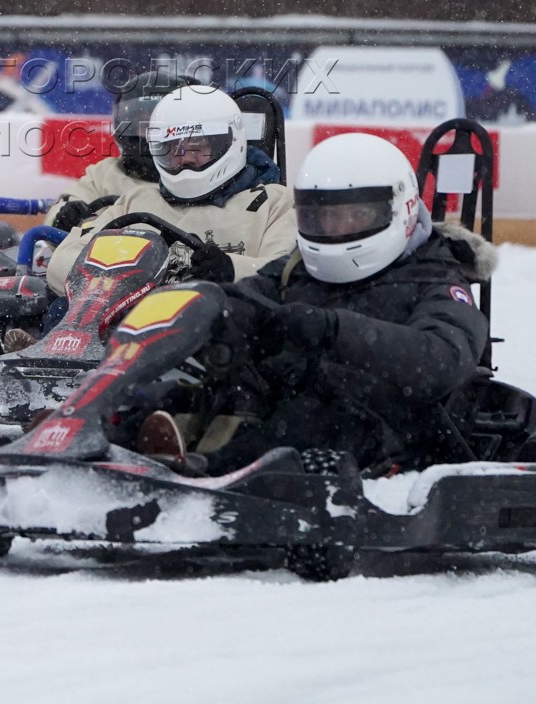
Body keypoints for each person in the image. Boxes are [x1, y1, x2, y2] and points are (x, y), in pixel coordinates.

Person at [129, 132, 493, 473]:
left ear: (402, 208)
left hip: (385, 429)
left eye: (355, 215)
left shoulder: (437, 280)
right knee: (172, 393)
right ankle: (119, 441)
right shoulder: (296, 270)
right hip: (283, 403)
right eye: (323, 216)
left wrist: (331, 330)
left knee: (308, 418)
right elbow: (246, 299)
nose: (336, 227)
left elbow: (442, 359)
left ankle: (205, 470)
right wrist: (201, 314)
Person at [43, 81, 295, 294]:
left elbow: (289, 276)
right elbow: (61, 263)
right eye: (173, 148)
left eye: (196, 146)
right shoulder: (136, 202)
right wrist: (119, 277)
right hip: (132, 321)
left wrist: (232, 269)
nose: (184, 158)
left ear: (227, 141)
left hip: (223, 321)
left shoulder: (273, 203)